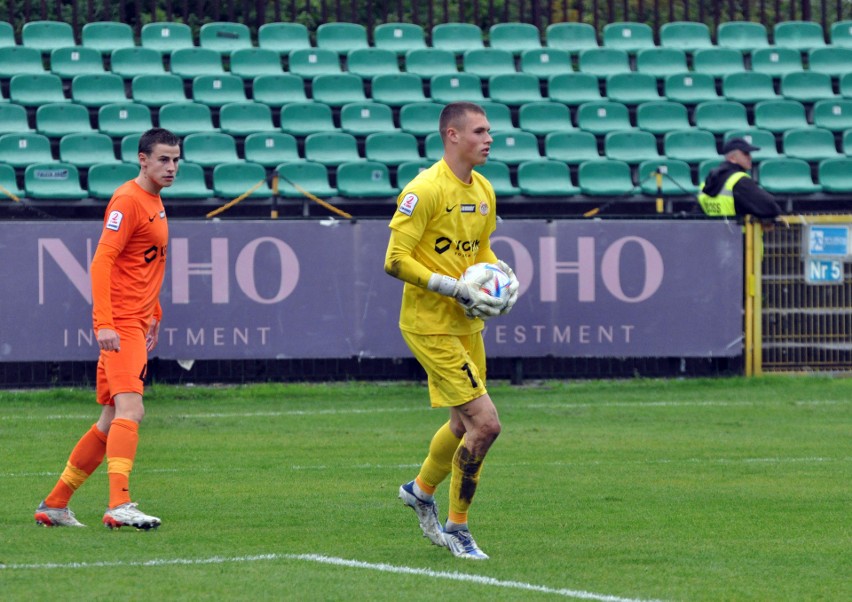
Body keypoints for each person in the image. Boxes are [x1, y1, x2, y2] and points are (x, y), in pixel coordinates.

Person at [384, 101, 520, 560]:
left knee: (463, 424)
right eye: (480, 131)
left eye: (490, 131)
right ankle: (458, 527)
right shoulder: (424, 190)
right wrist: (450, 286)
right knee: (487, 424)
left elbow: (479, 248)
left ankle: (420, 490)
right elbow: (395, 260)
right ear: (452, 136)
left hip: (466, 323)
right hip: (429, 325)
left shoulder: (482, 189)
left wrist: (496, 273)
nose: (489, 139)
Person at [34, 128, 180, 530]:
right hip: (121, 325)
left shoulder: (154, 201)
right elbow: (101, 263)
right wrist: (104, 323)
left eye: (176, 160)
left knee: (109, 420)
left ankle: (55, 504)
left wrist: (156, 312)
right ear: (142, 159)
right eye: (163, 159)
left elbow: (145, 265)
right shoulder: (128, 200)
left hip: (136, 320)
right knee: (132, 409)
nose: (171, 167)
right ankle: (120, 504)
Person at [698, 138, 783, 220]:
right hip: (739, 234)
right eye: (745, 153)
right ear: (732, 158)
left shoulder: (707, 182)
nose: (750, 157)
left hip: (712, 234)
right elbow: (770, 208)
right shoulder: (739, 180)